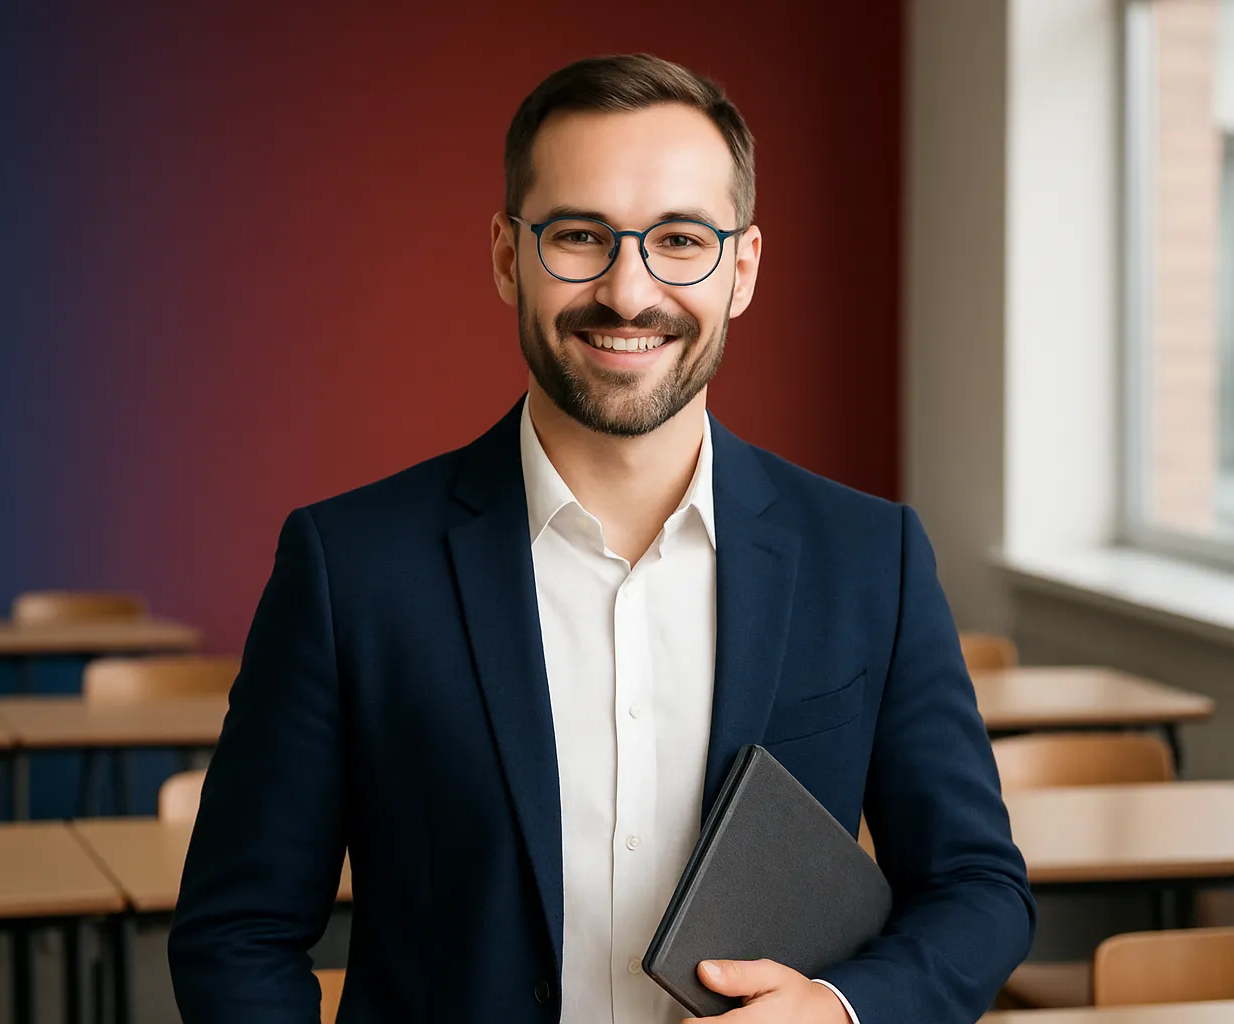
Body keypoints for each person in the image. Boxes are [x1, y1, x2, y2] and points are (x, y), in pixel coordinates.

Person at [169, 53, 1035, 1024]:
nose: (629, 292)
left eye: (680, 240)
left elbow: (976, 888)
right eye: (580, 236)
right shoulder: (350, 567)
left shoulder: (872, 557)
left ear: (742, 269)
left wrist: (839, 1009)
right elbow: (237, 934)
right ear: (508, 256)